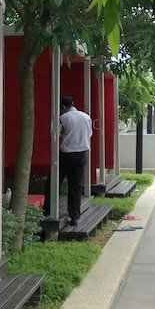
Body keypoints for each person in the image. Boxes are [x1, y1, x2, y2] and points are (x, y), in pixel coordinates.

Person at [59, 95, 93, 225]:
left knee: (54, 181)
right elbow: (90, 134)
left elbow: (57, 134)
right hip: (81, 154)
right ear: (73, 103)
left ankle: (48, 208)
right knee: (76, 186)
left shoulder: (63, 118)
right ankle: (74, 217)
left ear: (63, 107)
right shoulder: (86, 117)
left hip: (67, 153)